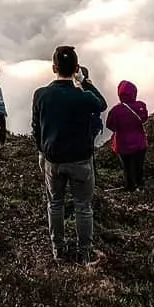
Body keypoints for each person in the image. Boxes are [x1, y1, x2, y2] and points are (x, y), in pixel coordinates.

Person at [31, 45, 108, 264]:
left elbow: (36, 127)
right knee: (83, 207)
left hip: (52, 159)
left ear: (54, 67)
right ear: (75, 68)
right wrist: (84, 81)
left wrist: (43, 151)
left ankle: (58, 250)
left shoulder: (41, 94)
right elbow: (101, 104)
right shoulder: (82, 97)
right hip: (80, 160)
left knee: (55, 204)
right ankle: (85, 252)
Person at [105, 80, 149, 192]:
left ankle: (129, 186)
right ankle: (140, 185)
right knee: (139, 166)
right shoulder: (141, 106)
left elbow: (110, 125)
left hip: (122, 144)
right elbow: (144, 119)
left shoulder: (115, 111)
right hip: (139, 143)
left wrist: (120, 128)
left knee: (127, 167)